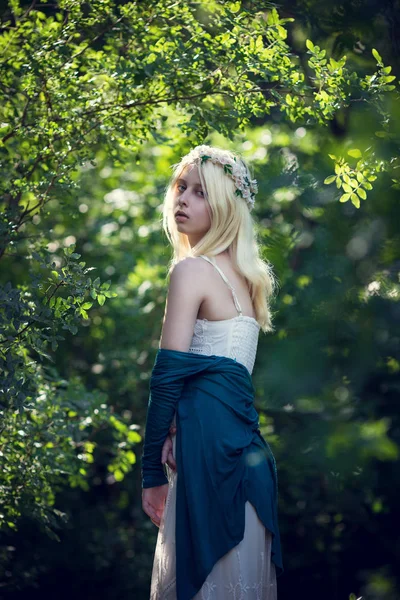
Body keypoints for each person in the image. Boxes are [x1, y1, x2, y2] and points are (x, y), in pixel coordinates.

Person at [141, 144, 283, 599]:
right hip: (250, 465)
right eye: (181, 187)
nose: (182, 199)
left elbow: (167, 377)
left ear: (225, 205)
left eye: (200, 192)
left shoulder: (192, 272)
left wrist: (150, 475)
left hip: (207, 461)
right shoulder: (250, 283)